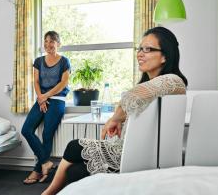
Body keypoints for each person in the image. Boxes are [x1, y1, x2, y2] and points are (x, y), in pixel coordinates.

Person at [41, 26, 188, 195]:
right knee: (74, 171)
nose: (140, 53)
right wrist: (121, 119)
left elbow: (130, 97)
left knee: (74, 147)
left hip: (134, 155)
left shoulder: (173, 81)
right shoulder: (151, 87)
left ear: (165, 56)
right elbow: (136, 101)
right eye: (140, 49)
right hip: (128, 149)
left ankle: (48, 193)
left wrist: (115, 118)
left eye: (148, 49)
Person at [22, 31, 71, 184]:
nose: (48, 44)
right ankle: (46, 162)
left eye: (52, 41)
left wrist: (46, 96)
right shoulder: (38, 61)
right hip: (41, 100)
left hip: (57, 101)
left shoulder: (64, 61)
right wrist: (41, 98)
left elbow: (63, 83)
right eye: (46, 41)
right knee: (26, 130)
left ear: (58, 44)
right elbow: (36, 81)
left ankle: (37, 171)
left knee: (47, 135)